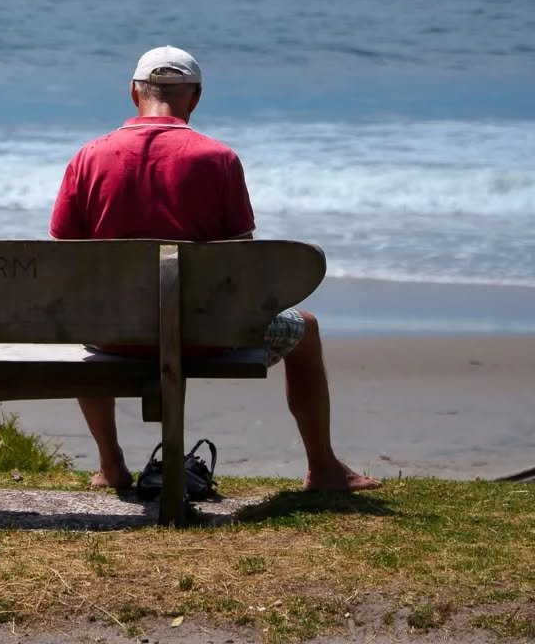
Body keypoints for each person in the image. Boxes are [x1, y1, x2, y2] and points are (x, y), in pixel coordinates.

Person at [50, 44, 378, 495]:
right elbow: (238, 265)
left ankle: (110, 463)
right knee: (307, 329)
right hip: (204, 338)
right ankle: (322, 467)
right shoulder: (218, 159)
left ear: (133, 93)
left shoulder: (89, 157)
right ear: (196, 97)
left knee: (89, 321)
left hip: (112, 337)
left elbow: (65, 260)